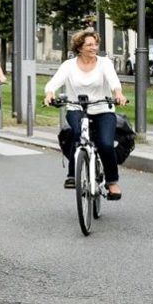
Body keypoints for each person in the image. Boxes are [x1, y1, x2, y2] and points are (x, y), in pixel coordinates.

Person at [44, 29, 127, 199]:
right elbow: (54, 83)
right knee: (76, 134)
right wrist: (49, 93)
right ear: (79, 47)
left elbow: (113, 81)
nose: (94, 47)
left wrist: (118, 93)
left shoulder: (104, 63)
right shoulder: (69, 65)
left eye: (95, 44)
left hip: (103, 109)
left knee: (105, 144)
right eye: (89, 44)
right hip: (77, 109)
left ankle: (112, 182)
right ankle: (72, 175)